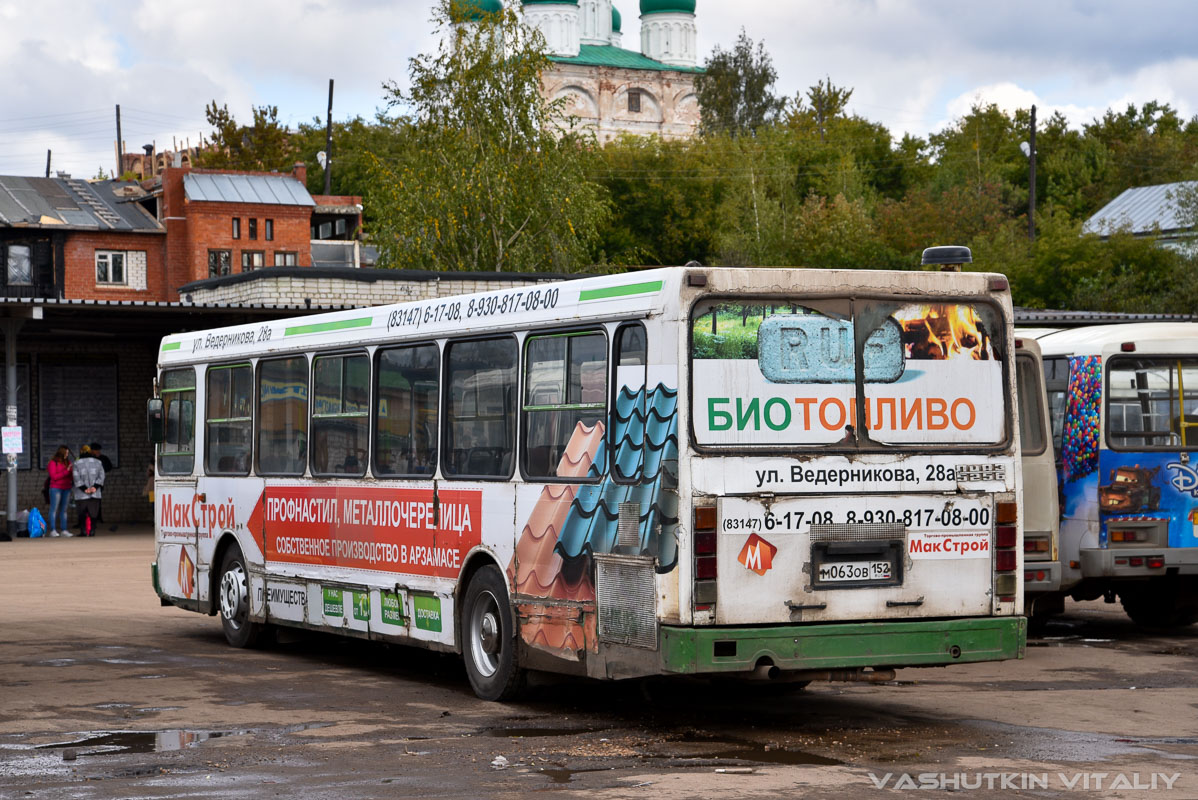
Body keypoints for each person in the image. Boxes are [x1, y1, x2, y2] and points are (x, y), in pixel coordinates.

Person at [73, 445, 105, 537]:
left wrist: (84, 488)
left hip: (81, 493)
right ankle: (92, 531)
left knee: (81, 513)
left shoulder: (77, 463)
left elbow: (76, 477)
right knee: (94, 513)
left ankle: (83, 531)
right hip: (95, 493)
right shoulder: (98, 462)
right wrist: (95, 487)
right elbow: (102, 476)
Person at [46, 445, 74, 538]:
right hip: (56, 488)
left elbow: (70, 476)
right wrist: (67, 471)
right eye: (66, 453)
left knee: (64, 510)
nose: (67, 455)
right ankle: (53, 530)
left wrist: (71, 472)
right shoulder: (53, 463)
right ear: (61, 453)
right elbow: (54, 477)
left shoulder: (67, 462)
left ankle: (64, 530)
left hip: (67, 487)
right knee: (54, 509)